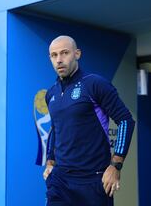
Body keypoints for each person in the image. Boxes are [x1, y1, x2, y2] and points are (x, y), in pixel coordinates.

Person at [43, 35, 135, 206]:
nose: (59, 60)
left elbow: (125, 120)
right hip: (60, 180)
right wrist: (50, 161)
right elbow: (55, 129)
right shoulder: (51, 93)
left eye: (64, 53)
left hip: (93, 181)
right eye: (54, 55)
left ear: (77, 54)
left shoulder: (95, 84)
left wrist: (116, 165)